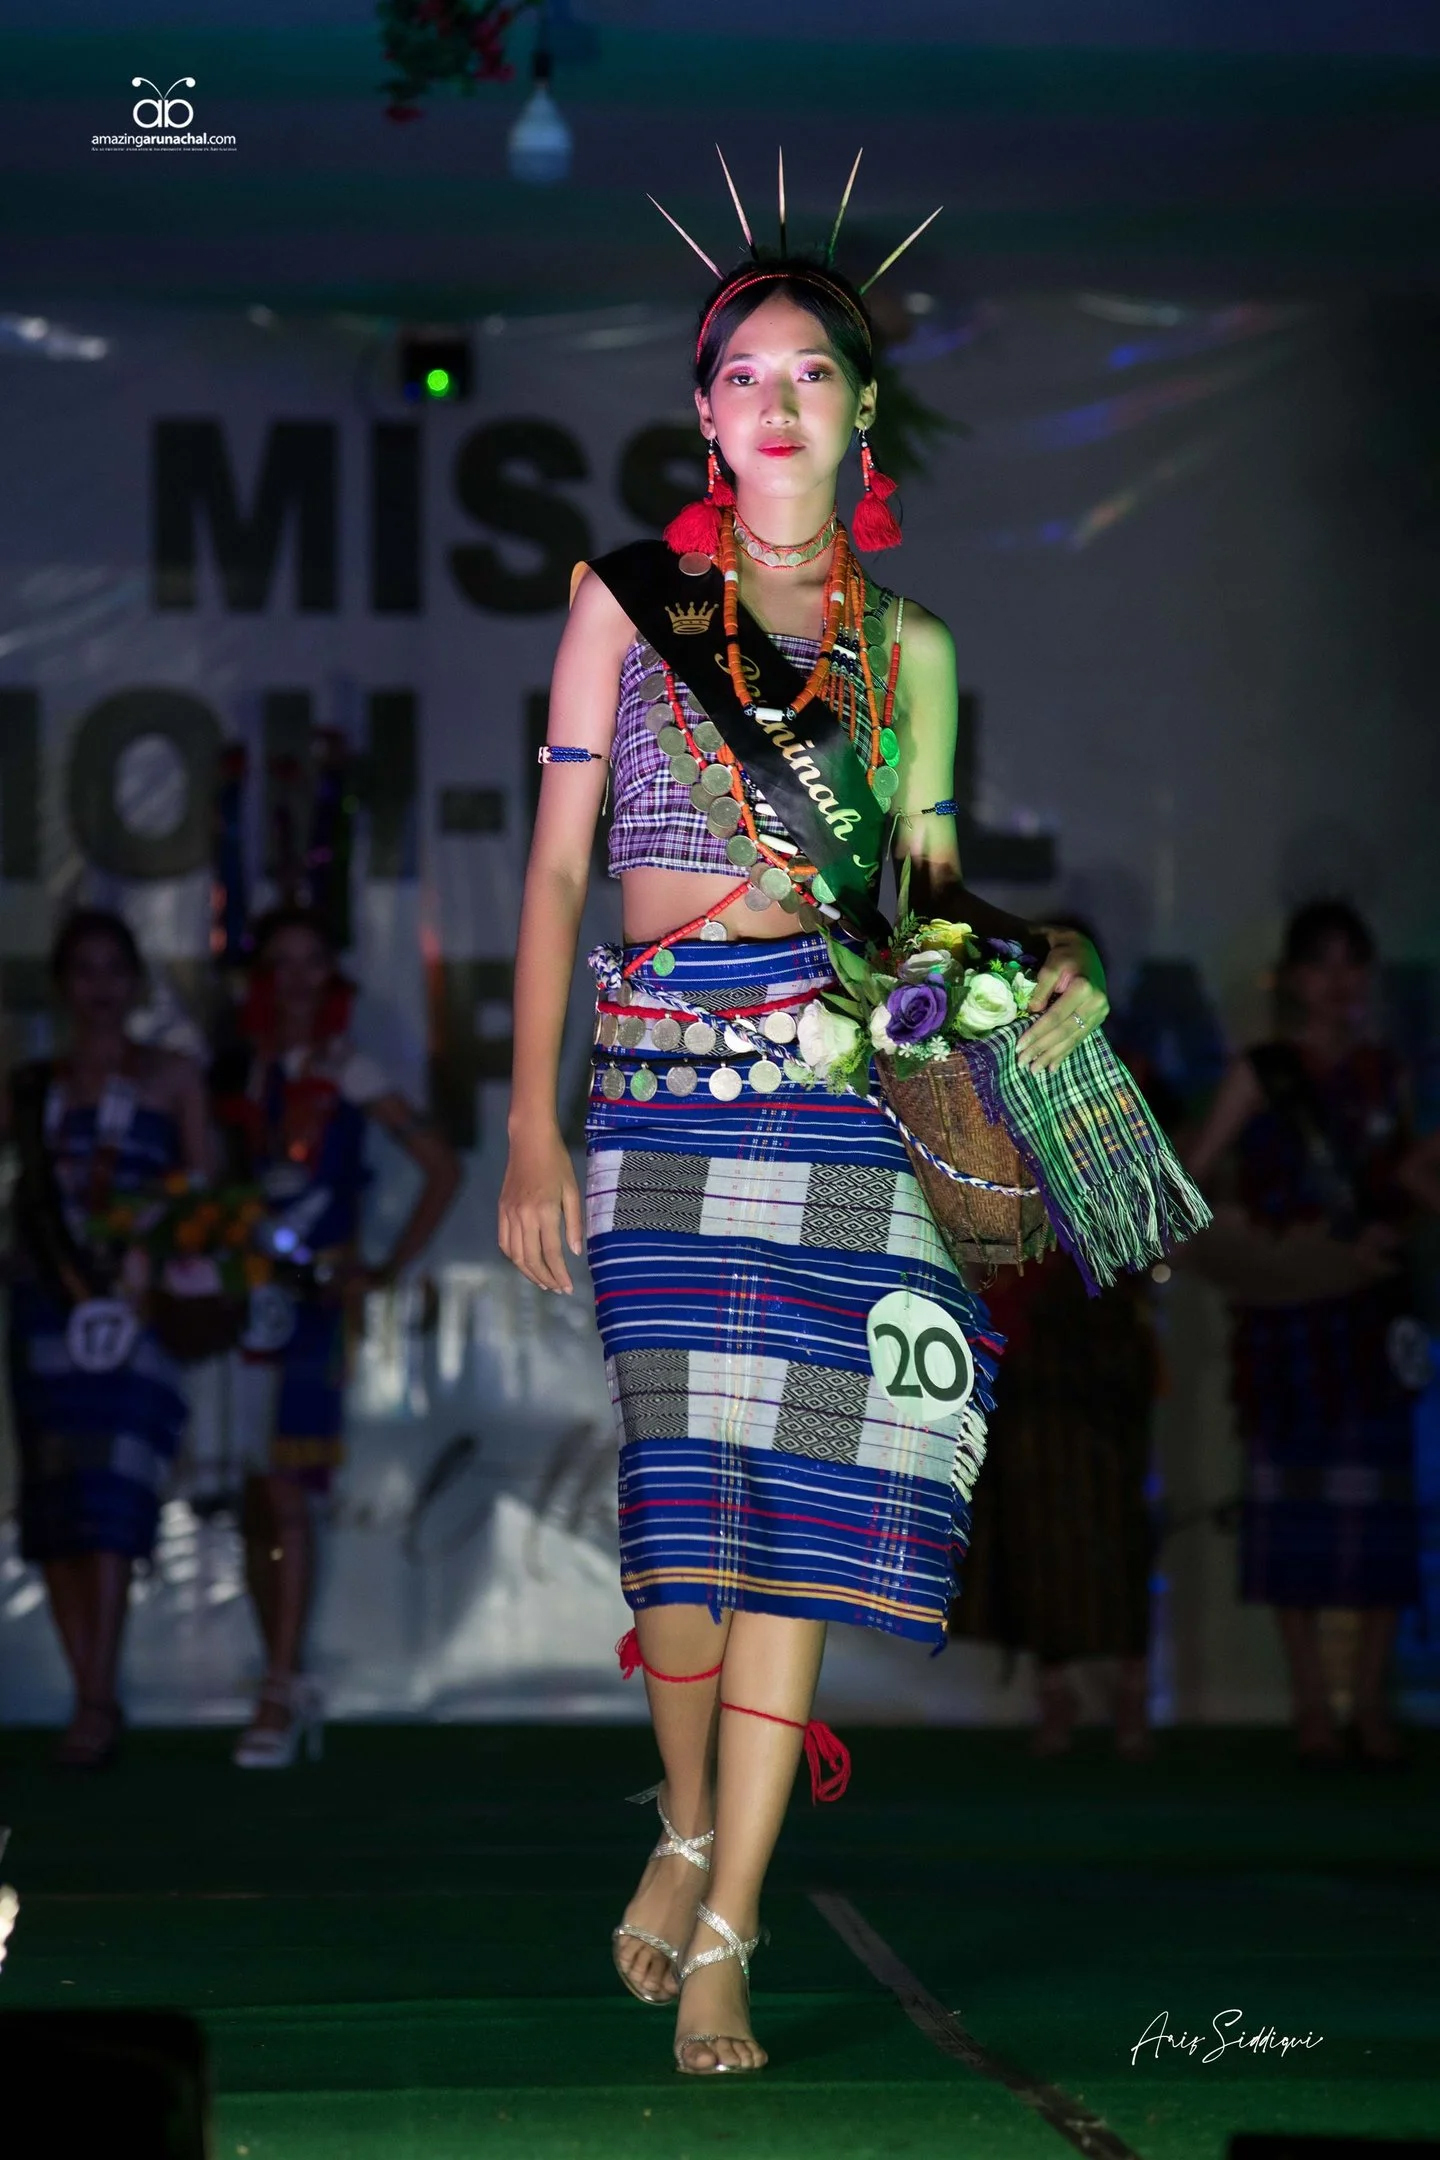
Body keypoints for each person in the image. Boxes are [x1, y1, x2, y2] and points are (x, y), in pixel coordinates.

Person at [499, 187, 1109, 2076]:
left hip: (840, 1107)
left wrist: (1040, 968)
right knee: (683, 1526)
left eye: (813, 373)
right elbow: (556, 874)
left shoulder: (911, 649)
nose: (779, 402)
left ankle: (733, 1924)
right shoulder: (626, 605)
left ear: (862, 412)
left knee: (797, 1521)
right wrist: (527, 1128)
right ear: (704, 414)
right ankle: (685, 1823)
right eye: (746, 375)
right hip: (656, 1099)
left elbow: (920, 900)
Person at [1184, 900, 1440, 1765]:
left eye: (1353, 963)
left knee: (1382, 1522)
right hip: (1289, 1318)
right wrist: (1267, 1243)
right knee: (1291, 1520)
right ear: (1292, 979)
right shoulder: (1263, 1071)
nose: (1340, 982)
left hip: (1370, 1313)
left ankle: (1366, 1702)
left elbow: (1405, 1184)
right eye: (1323, 964)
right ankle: (1311, 1708)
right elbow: (1190, 1178)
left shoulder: (1385, 1072)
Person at [213, 908, 460, 1768]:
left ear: (333, 976)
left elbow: (441, 1165)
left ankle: (281, 1686)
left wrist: (383, 1268)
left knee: (288, 1490)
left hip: (313, 1303)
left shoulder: (350, 1068)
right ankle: (280, 1675)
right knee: (255, 1495)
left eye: (311, 961)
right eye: (280, 962)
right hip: (235, 1301)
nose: (295, 980)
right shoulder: (236, 1068)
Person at [4, 909, 209, 1768]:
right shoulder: (30, 1085)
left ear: (135, 982)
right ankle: (89, 1690)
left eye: (113, 970)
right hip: (48, 1303)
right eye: (83, 970)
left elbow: (205, 1188)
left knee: (116, 1493)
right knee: (57, 1497)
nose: (99, 987)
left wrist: (152, 1250)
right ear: (62, 984)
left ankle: (96, 1698)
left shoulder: (171, 1076)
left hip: (136, 1302)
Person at [949, 1247, 1160, 1759]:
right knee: (1034, 1545)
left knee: (1115, 1545)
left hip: (1102, 1389)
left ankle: (1129, 1694)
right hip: (1028, 1393)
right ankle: (1057, 1695)